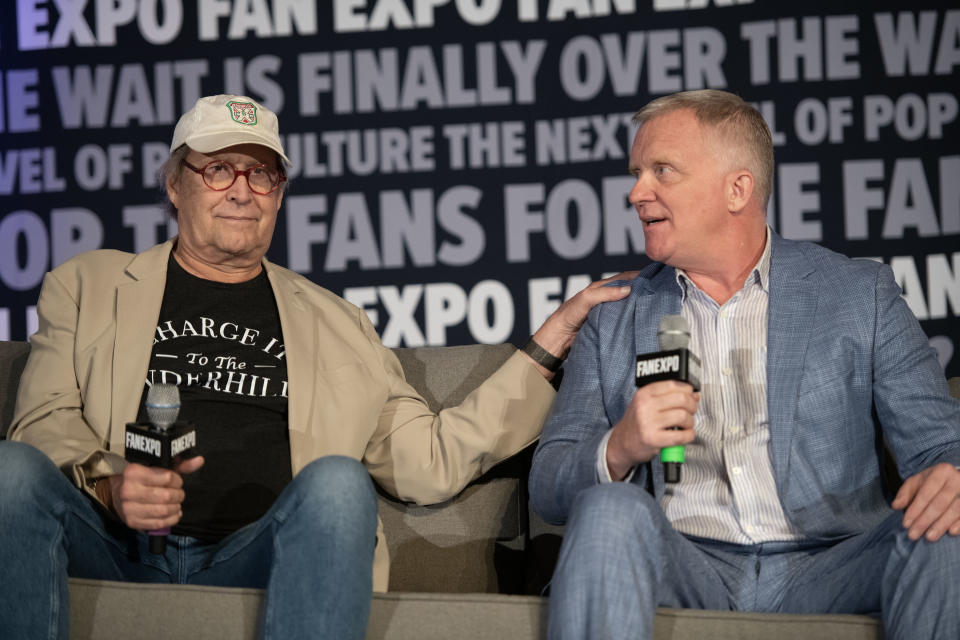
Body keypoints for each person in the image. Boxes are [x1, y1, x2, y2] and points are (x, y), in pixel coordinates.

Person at [0, 94, 635, 639]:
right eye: (219, 170)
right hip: (110, 545)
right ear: (175, 183)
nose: (242, 192)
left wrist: (551, 339)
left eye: (262, 176)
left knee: (337, 485)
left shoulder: (340, 324)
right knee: (10, 471)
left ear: (280, 193)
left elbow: (429, 461)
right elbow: (42, 420)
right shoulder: (89, 284)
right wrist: (111, 485)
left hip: (257, 556)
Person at [528, 89, 960, 640]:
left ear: (738, 189)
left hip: (834, 564)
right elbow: (548, 483)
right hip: (683, 563)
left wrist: (954, 474)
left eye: (663, 170)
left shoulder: (856, 294)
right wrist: (619, 447)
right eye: (637, 172)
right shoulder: (615, 314)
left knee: (946, 526)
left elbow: (943, 444)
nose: (638, 192)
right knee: (608, 511)